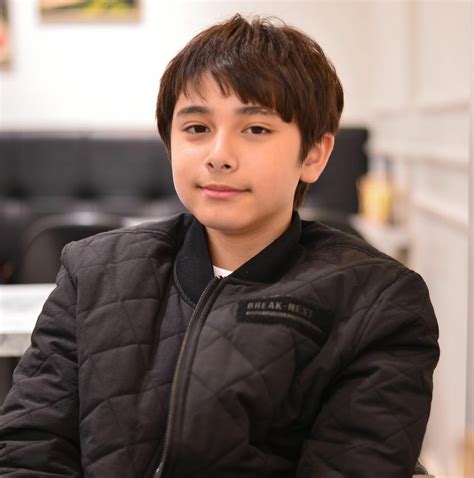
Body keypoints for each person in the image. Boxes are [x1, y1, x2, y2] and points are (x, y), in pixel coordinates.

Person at [0, 14, 439, 478]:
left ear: (313, 154)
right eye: (196, 128)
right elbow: (30, 449)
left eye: (256, 129)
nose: (218, 156)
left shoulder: (379, 302)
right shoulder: (91, 270)